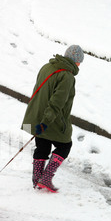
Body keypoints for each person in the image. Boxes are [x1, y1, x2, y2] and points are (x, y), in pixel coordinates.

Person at [21, 45, 84, 192]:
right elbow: (57, 102)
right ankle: (46, 178)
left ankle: (36, 179)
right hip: (51, 118)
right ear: (75, 61)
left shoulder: (47, 67)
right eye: (79, 61)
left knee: (42, 145)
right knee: (65, 145)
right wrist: (46, 122)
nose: (80, 65)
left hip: (36, 114)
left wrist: (40, 120)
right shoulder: (67, 76)